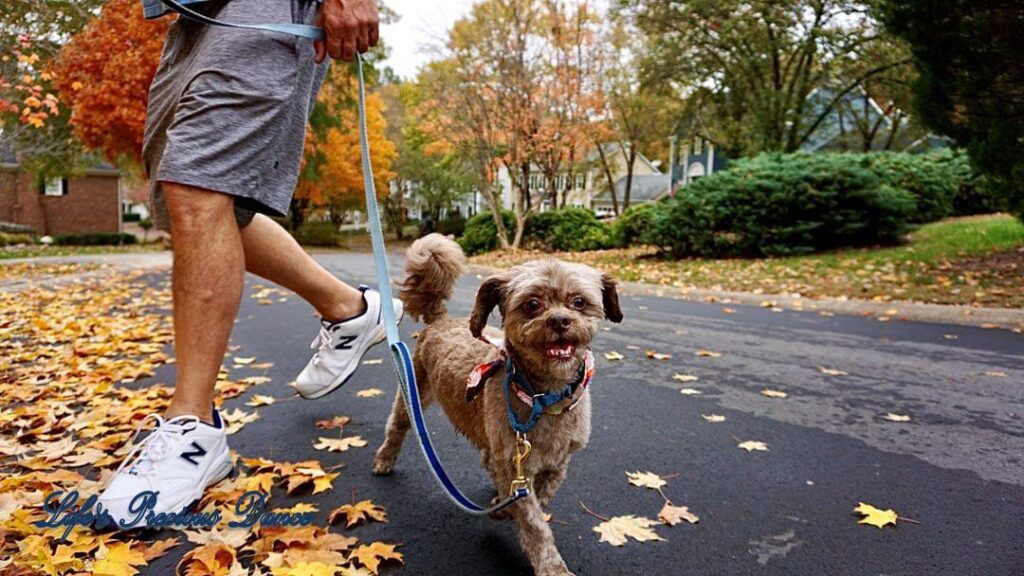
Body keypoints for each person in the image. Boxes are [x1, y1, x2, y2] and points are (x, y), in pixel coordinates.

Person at [97, 0, 397, 525]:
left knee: (199, 184)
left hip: (264, 6)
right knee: (196, 205)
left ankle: (193, 427)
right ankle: (347, 307)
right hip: (192, 16)